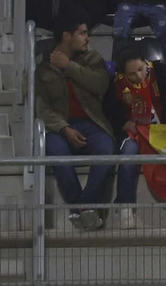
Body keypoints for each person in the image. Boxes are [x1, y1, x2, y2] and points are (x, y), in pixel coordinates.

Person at [38, 16, 114, 230]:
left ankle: (81, 208)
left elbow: (100, 84)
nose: (87, 38)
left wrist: (69, 66)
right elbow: (42, 107)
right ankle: (86, 211)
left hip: (90, 123)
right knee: (56, 152)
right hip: (59, 127)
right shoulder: (43, 66)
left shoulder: (93, 58)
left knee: (107, 150)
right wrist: (64, 128)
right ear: (66, 35)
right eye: (82, 33)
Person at [102, 48, 166, 228]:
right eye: (132, 74)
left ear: (146, 63)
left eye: (141, 69)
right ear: (123, 73)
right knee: (128, 154)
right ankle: (124, 208)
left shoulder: (163, 73)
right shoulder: (116, 84)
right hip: (135, 133)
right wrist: (123, 124)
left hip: (164, 131)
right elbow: (108, 111)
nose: (139, 76)